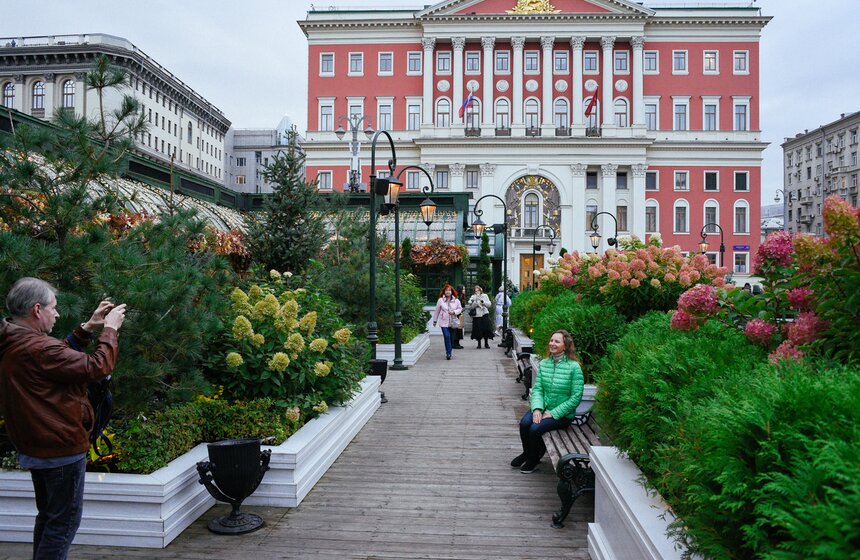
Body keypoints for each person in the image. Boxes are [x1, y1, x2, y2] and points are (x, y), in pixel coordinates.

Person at [0, 277, 126, 559]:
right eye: (53, 308)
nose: (56, 313)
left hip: (38, 445)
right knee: (62, 524)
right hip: (59, 449)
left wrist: (87, 328)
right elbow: (97, 366)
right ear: (36, 310)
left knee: (49, 518)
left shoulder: (15, 338)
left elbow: (57, 357)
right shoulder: (38, 348)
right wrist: (110, 330)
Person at [511, 329, 584, 473]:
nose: (552, 344)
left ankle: (533, 459)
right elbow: (538, 389)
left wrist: (553, 413)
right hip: (543, 408)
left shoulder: (574, 367)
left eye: (557, 341)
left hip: (562, 415)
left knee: (535, 428)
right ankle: (526, 453)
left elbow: (576, 397)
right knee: (525, 423)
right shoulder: (544, 364)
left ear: (566, 345)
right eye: (551, 340)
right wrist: (537, 408)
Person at [431, 284, 462, 360]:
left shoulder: (456, 300)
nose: (448, 292)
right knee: (447, 336)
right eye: (446, 290)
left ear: (452, 292)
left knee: (451, 338)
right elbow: (437, 311)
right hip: (443, 322)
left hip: (453, 322)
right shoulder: (440, 300)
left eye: (449, 290)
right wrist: (434, 321)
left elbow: (460, 309)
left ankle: (449, 350)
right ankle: (448, 353)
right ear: (444, 292)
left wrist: (454, 312)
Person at [467, 285, 494, 349]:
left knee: (486, 329)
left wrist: (483, 302)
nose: (477, 292)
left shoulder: (485, 296)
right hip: (477, 315)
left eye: (478, 290)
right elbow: (470, 307)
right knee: (478, 330)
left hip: (484, 314)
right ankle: (479, 344)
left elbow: (489, 304)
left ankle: (486, 343)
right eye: (476, 291)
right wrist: (475, 303)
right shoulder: (473, 297)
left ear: (480, 290)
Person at [451, 284, 467, 349]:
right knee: (456, 329)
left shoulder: (462, 296)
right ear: (460, 290)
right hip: (457, 315)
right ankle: (455, 344)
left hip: (461, 314)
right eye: (463, 289)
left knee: (460, 329)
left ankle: (457, 343)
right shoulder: (457, 297)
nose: (464, 290)